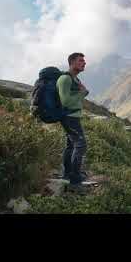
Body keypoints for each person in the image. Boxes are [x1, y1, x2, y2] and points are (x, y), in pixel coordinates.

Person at [56, 52, 90, 186]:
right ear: (72, 63)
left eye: (84, 61)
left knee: (71, 146)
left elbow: (76, 97)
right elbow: (65, 102)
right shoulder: (65, 79)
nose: (84, 63)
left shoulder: (75, 79)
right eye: (81, 61)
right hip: (69, 117)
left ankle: (68, 173)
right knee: (81, 145)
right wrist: (82, 93)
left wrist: (83, 93)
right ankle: (75, 178)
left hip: (74, 116)